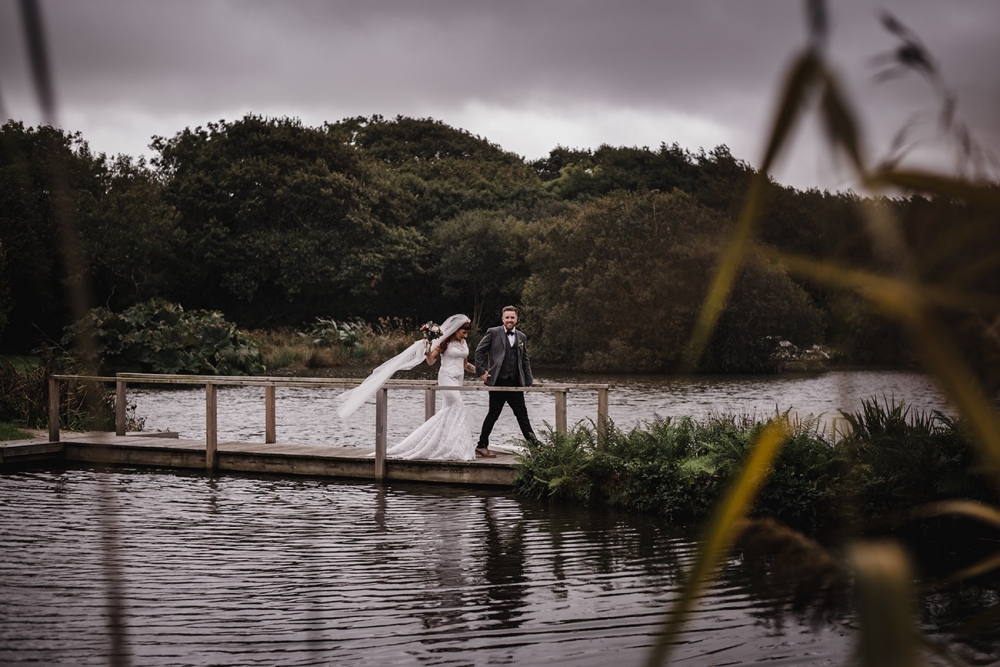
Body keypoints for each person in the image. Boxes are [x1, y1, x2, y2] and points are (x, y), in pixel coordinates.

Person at [337, 314, 478, 461]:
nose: (466, 335)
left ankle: (448, 445)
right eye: (464, 332)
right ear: (455, 330)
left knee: (450, 412)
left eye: (467, 332)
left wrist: (481, 373)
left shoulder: (463, 343)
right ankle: (454, 448)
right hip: (446, 378)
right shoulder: (444, 343)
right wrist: (428, 348)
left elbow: (465, 365)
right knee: (458, 406)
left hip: (458, 380)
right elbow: (430, 361)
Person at [474, 306, 538, 457]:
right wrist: (481, 372)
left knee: (522, 415)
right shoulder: (493, 332)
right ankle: (481, 445)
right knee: (493, 414)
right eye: (507, 317)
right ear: (503, 319)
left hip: (515, 383)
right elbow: (479, 351)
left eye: (512, 317)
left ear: (517, 319)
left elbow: (525, 359)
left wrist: (528, 380)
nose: (510, 320)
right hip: (497, 381)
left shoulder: (522, 337)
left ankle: (535, 448)